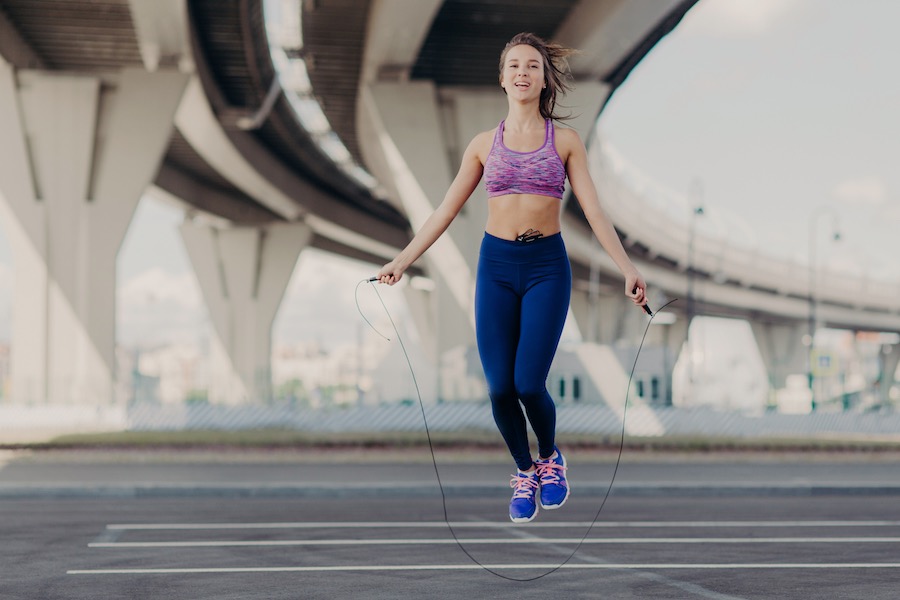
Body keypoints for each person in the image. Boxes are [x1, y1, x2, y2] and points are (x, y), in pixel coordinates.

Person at [377, 32, 648, 523]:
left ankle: (550, 458)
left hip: (547, 267)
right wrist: (403, 259)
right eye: (514, 65)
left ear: (544, 79)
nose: (523, 72)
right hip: (496, 267)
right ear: (502, 78)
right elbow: (444, 210)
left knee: (528, 382)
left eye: (533, 66)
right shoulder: (484, 145)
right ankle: (524, 471)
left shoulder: (564, 142)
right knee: (499, 388)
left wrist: (627, 268)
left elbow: (594, 211)